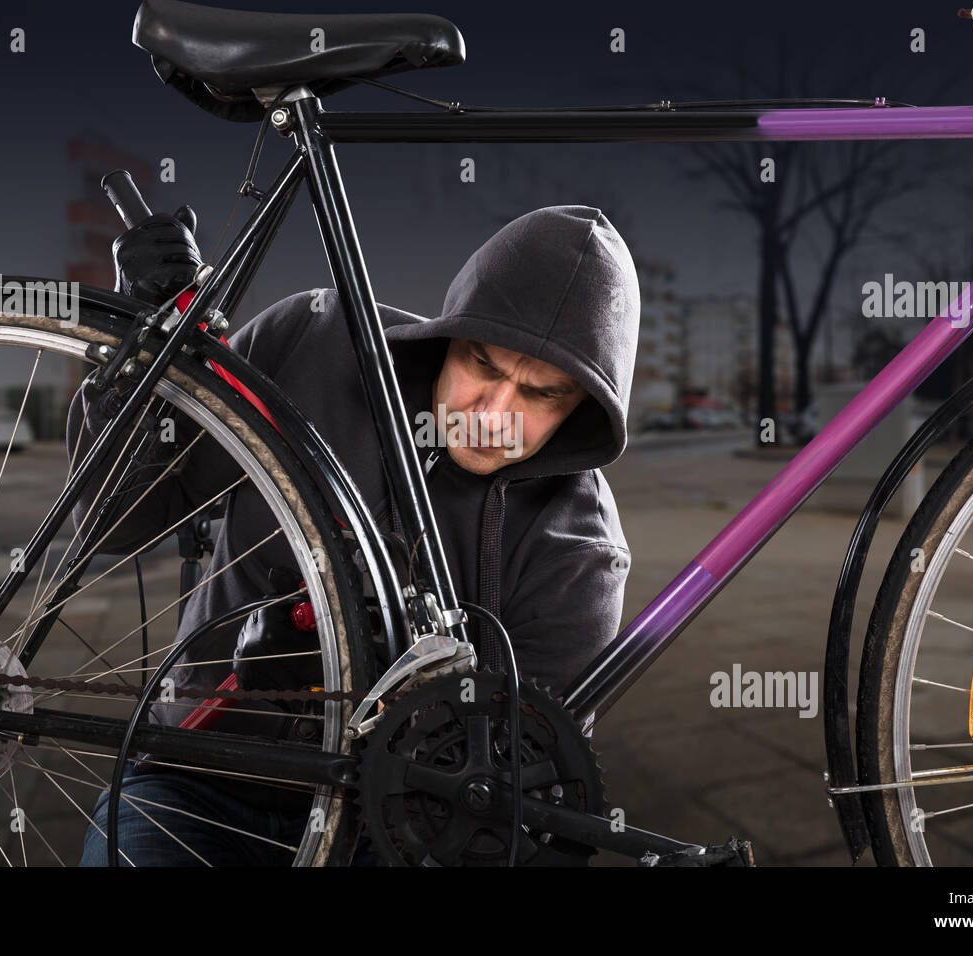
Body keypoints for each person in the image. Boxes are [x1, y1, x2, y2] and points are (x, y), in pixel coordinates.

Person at [72, 203, 640, 865]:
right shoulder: (313, 339)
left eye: (543, 394)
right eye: (483, 365)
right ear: (449, 334)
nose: (496, 416)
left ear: (581, 411)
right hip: (192, 781)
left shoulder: (580, 552)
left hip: (381, 829)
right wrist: (143, 356)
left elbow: (520, 799)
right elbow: (115, 519)